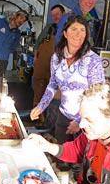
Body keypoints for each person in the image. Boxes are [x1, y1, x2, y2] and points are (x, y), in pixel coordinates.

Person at [30, 14, 105, 174]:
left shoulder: (92, 60)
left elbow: (97, 95)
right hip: (63, 115)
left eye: (82, 30)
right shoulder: (57, 57)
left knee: (82, 163)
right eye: (74, 29)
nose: (78, 34)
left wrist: (80, 121)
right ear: (65, 33)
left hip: (86, 121)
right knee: (62, 159)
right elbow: (52, 84)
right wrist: (40, 106)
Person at [33, 4, 65, 107]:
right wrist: (35, 57)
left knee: (53, 91)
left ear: (63, 14)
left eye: (57, 14)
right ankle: (37, 115)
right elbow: (38, 43)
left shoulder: (69, 30)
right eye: (53, 15)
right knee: (38, 87)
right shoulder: (49, 28)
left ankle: (49, 117)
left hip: (57, 67)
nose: (55, 17)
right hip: (43, 63)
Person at [0, 10, 28, 75]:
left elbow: (13, 47)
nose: (21, 22)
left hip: (3, 60)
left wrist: (5, 52)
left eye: (23, 21)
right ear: (15, 16)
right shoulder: (0, 23)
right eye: (21, 18)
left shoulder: (17, 33)